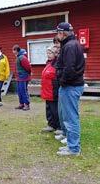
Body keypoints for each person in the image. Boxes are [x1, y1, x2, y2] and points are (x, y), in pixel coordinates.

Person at [55, 22, 85, 156]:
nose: (57, 35)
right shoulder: (72, 44)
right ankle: (71, 145)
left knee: (71, 118)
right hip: (71, 85)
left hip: (70, 86)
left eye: (58, 33)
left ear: (62, 33)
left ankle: (73, 149)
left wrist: (62, 81)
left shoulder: (70, 46)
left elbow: (69, 69)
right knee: (68, 117)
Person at [41, 46, 60, 133]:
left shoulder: (57, 64)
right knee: (49, 109)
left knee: (55, 110)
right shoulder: (48, 63)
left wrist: (56, 91)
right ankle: (51, 125)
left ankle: (58, 127)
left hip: (53, 91)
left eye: (50, 53)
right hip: (47, 91)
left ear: (55, 54)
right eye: (47, 53)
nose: (48, 55)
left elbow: (57, 79)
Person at [12, 45, 31, 111]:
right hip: (19, 77)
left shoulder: (22, 57)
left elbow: (28, 67)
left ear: (16, 50)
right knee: (19, 91)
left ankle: (27, 104)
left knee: (23, 91)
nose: (13, 51)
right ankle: (21, 104)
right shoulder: (18, 57)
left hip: (23, 77)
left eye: (13, 50)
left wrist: (26, 74)